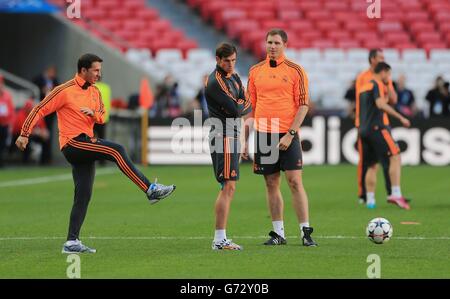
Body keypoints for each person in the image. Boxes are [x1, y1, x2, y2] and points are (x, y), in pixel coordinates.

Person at [16, 54, 176, 254]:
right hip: (73, 143)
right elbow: (39, 109)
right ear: (83, 70)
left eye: (100, 70)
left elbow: (101, 116)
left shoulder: (95, 92)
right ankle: (150, 189)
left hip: (85, 144)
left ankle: (71, 242)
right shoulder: (64, 90)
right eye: (96, 70)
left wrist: (94, 115)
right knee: (116, 149)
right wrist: (24, 134)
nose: (99, 74)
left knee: (83, 194)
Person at [245, 29, 317, 247]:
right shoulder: (255, 71)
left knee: (295, 182)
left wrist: (291, 133)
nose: (272, 46)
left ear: (285, 44)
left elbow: (304, 105)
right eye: (269, 42)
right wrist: (244, 139)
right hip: (264, 134)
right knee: (271, 183)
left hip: (288, 133)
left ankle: (305, 231)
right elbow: (251, 108)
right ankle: (278, 233)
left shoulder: (296, 70)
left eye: (276, 42)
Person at [205, 43, 252, 250]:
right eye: (227, 61)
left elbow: (248, 101)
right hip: (222, 135)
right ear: (217, 59)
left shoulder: (233, 77)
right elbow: (236, 109)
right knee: (228, 185)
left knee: (229, 186)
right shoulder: (215, 82)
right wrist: (241, 104)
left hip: (231, 135)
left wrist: (241, 105)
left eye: (234, 60)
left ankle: (220, 238)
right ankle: (219, 239)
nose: (231, 64)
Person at [358, 62, 411, 210]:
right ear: (383, 72)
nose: (389, 77)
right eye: (388, 74)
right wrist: (401, 117)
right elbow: (381, 104)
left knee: (372, 165)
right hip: (377, 127)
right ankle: (395, 193)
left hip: (364, 130)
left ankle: (370, 200)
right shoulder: (377, 84)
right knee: (396, 155)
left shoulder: (364, 86)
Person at [355, 48, 398, 207]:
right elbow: (364, 100)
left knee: (385, 160)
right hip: (366, 122)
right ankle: (363, 194)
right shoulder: (364, 78)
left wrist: (388, 84)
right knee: (367, 162)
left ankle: (391, 193)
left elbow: (393, 100)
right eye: (380, 57)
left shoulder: (385, 76)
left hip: (382, 122)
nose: (382, 59)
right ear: (372, 59)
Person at [33, 65, 59, 165]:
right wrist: (42, 90)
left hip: (50, 111)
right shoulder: (38, 79)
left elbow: (59, 90)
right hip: (40, 109)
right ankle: (38, 157)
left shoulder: (55, 81)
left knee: (48, 133)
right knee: (41, 132)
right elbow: (34, 88)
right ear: (47, 71)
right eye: (51, 72)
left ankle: (46, 157)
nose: (52, 75)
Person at [12, 99, 49, 164]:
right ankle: (25, 161)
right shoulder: (21, 114)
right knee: (26, 140)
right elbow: (22, 129)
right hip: (19, 135)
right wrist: (36, 132)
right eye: (29, 108)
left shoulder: (37, 114)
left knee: (45, 139)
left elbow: (43, 127)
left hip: (34, 135)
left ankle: (44, 161)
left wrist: (44, 132)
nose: (30, 110)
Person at [0, 75, 15, 168]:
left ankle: (1, 161)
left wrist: (10, 124)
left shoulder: (7, 96)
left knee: (3, 143)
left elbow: (11, 111)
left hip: (4, 124)